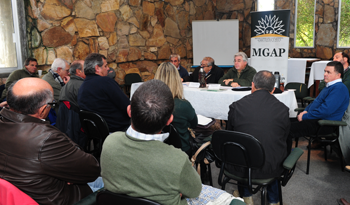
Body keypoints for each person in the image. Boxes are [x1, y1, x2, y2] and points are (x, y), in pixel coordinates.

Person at [100, 79, 244, 205]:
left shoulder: (110, 142)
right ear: (170, 120)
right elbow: (195, 191)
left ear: (129, 111)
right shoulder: (177, 159)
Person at [0, 78, 100, 205]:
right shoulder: (47, 138)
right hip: (66, 198)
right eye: (52, 104)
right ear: (42, 110)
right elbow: (92, 170)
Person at [227, 71, 290, 205]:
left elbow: (230, 136)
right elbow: (284, 138)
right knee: (272, 150)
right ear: (273, 89)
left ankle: (246, 196)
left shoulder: (236, 106)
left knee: (242, 148)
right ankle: (274, 201)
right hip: (271, 168)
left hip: (241, 168)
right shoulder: (283, 109)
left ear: (252, 85)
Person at [289, 61, 350, 151]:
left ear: (338, 75)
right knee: (283, 122)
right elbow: (315, 103)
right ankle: (281, 155)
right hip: (317, 119)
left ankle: (282, 157)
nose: (325, 74)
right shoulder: (329, 86)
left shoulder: (339, 88)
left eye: (328, 72)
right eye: (325, 71)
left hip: (326, 124)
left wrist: (305, 116)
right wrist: (305, 111)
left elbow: (325, 111)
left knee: (286, 128)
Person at [78, 53, 130, 132]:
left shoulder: (82, 87)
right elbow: (126, 105)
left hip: (96, 132)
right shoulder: (106, 82)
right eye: (105, 66)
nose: (108, 68)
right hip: (117, 129)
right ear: (97, 68)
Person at [154, 62, 197, 156]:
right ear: (176, 80)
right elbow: (194, 124)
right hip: (181, 150)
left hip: (156, 149)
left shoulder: (149, 104)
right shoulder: (183, 105)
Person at [56, 60, 86, 147]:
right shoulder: (82, 86)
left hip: (66, 130)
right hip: (77, 130)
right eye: (86, 68)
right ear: (78, 71)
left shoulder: (66, 85)